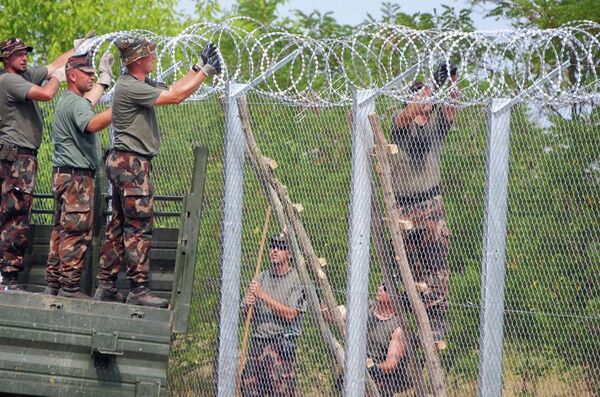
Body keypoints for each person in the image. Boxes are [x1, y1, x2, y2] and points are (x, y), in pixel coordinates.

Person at [93, 36, 221, 307]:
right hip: (131, 165)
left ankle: (106, 285)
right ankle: (138, 290)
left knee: (117, 226)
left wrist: (197, 67)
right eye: (150, 54)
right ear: (137, 60)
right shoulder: (130, 87)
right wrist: (207, 73)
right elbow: (176, 98)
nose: (154, 57)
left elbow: (174, 87)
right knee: (139, 226)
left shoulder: (138, 83)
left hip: (123, 162)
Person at [0, 36, 87, 291]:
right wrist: (60, 77)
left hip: (21, 157)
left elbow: (51, 66)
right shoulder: (10, 81)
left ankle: (7, 276)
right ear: (6, 58)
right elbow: (48, 92)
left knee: (15, 214)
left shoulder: (23, 75)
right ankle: (8, 277)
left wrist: (77, 47)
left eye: (25, 52)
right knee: (14, 218)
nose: (24, 57)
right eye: (18, 54)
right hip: (16, 158)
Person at [389, 62, 459, 346]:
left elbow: (451, 109)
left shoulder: (435, 128)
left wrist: (452, 81)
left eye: (428, 104)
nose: (425, 108)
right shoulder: (402, 125)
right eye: (422, 101)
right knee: (406, 267)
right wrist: (431, 85)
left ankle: (437, 318)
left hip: (430, 204)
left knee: (437, 266)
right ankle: (405, 322)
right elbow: (407, 115)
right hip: (404, 209)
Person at [44, 52, 114, 299]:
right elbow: (92, 123)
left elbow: (90, 102)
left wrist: (104, 79)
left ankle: (54, 283)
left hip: (65, 176)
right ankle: (70, 287)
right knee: (76, 232)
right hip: (77, 179)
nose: (91, 75)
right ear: (72, 75)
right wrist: (122, 107)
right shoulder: (75, 104)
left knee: (61, 231)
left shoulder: (70, 101)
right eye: (88, 73)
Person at [241, 233, 307, 397]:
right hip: (258, 343)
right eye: (273, 246)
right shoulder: (260, 277)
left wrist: (262, 295)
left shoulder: (297, 280)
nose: (275, 250)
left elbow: (291, 314)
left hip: (280, 343)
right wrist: (248, 304)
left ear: (290, 254)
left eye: (281, 247)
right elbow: (245, 316)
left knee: (280, 392)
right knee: (248, 388)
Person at [365, 283, 409, 397]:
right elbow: (335, 316)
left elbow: (390, 364)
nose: (379, 289)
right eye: (380, 286)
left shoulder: (398, 327)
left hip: (379, 376)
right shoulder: (367, 306)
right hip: (357, 365)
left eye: (385, 288)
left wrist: (371, 368)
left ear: (395, 296)